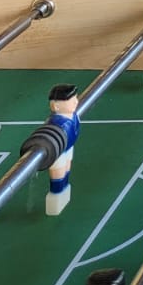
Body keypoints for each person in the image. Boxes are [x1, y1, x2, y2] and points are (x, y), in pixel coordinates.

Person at [45, 83, 80, 216]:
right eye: (71, 100)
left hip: (68, 147)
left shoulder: (74, 116)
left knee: (67, 168)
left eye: (75, 98)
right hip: (58, 151)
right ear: (56, 106)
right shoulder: (56, 123)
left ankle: (63, 189)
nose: (76, 102)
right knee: (58, 172)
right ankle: (57, 193)